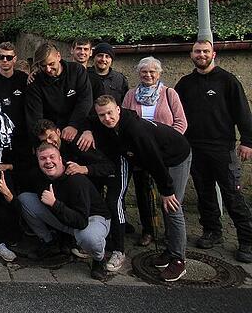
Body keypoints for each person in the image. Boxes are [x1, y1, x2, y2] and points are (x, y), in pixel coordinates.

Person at [90, 95, 191, 281]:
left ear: (118, 109)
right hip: (157, 158)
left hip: (176, 155)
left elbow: (155, 161)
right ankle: (170, 251)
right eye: (102, 115)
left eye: (110, 113)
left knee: (172, 206)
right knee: (166, 205)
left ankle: (178, 260)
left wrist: (167, 190)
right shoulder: (109, 126)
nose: (107, 118)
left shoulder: (136, 130)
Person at [174, 40, 252, 263]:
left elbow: (242, 112)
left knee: (232, 195)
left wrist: (248, 140)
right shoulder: (185, 84)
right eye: (197, 51)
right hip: (195, 148)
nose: (201, 55)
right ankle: (212, 231)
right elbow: (176, 113)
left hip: (222, 148)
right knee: (204, 192)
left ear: (213, 54)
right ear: (191, 54)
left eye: (205, 51)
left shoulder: (227, 81)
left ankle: (246, 240)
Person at [33, 119, 124, 272]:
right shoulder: (45, 155)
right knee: (27, 200)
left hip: (90, 202)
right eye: (44, 141)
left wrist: (85, 169)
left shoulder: (78, 144)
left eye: (51, 137)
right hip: (67, 203)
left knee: (88, 233)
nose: (49, 142)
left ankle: (102, 256)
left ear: (58, 132)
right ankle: (56, 240)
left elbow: (109, 167)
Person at [19, 143, 111, 281]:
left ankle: (99, 259)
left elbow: (81, 221)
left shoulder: (76, 179)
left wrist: (55, 204)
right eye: (43, 158)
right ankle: (49, 241)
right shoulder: (38, 175)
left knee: (88, 237)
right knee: (24, 199)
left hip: (91, 219)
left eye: (52, 157)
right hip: (64, 216)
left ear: (61, 158)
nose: (48, 161)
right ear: (38, 161)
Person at [122, 56, 187, 247]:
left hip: (167, 154)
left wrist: (166, 145)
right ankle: (148, 230)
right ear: (139, 73)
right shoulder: (130, 95)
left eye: (152, 71)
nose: (148, 75)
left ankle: (171, 233)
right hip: (142, 155)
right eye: (144, 72)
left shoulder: (169, 94)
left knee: (169, 193)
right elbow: (125, 122)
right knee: (144, 193)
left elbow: (181, 122)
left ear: (159, 73)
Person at [0, 42, 32, 191]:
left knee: (23, 175)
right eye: (1, 57)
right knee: (1, 176)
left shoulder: (24, 79)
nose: (5, 60)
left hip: (22, 136)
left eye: (9, 57)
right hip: (0, 140)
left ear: (15, 59)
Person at [25, 42, 93, 145]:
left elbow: (85, 100)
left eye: (51, 64)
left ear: (58, 56)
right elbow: (35, 117)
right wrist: (48, 136)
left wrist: (73, 125)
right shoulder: (35, 82)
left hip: (78, 128)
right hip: (51, 135)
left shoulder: (77, 71)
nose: (48, 69)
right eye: (43, 66)